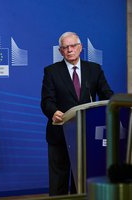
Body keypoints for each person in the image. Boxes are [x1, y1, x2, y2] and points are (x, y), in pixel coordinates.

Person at [40, 32, 113, 196]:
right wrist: (53, 112)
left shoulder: (94, 69)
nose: (69, 50)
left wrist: (116, 105)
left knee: (81, 181)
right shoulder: (51, 71)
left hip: (88, 135)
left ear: (80, 48)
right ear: (60, 51)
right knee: (59, 181)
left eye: (73, 46)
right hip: (60, 134)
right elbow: (46, 101)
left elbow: (107, 95)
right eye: (65, 47)